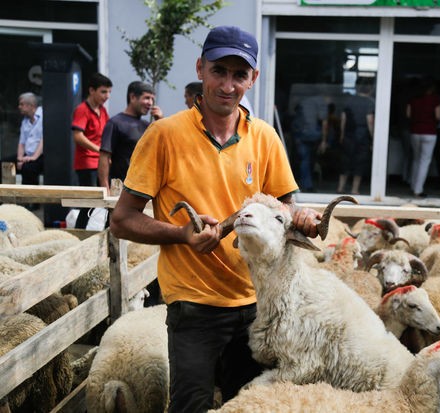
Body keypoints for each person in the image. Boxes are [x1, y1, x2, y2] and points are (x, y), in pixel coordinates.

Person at [109, 25, 321, 412]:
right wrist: (181, 235)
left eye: (239, 75)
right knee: (191, 405)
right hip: (194, 305)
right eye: (218, 71)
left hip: (256, 302)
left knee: (248, 405)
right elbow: (122, 220)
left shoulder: (264, 138)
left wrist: (303, 216)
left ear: (252, 79)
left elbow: (285, 209)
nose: (227, 85)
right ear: (201, 68)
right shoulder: (164, 136)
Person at [97, 81, 163, 194]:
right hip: (120, 188)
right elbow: (104, 157)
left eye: (152, 99)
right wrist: (105, 188)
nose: (150, 103)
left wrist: (161, 121)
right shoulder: (115, 123)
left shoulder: (148, 126)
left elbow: (165, 148)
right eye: (147, 98)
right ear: (132, 97)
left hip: (143, 188)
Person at [71, 72, 113, 228]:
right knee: (88, 203)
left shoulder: (103, 111)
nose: (107, 96)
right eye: (103, 91)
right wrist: (101, 150)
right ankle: (80, 233)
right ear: (91, 91)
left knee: (108, 200)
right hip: (87, 164)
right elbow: (78, 136)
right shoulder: (82, 109)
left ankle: (107, 232)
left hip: (102, 163)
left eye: (109, 92)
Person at [336, 77, 375, 195]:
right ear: (370, 89)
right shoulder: (370, 102)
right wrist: (373, 138)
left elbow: (343, 118)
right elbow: (370, 121)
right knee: (360, 162)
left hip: (348, 135)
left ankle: (340, 187)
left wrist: (342, 135)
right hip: (362, 135)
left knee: (346, 161)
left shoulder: (349, 100)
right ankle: (354, 189)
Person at [406, 77, 440, 199]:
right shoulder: (435, 99)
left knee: (416, 159)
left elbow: (408, 115)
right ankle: (418, 189)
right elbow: (438, 116)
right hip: (430, 132)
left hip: (415, 131)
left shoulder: (413, 99)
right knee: (424, 161)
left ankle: (413, 185)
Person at [291, 94, 329, 192]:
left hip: (300, 135)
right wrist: (324, 141)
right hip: (313, 136)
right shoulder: (322, 103)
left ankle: (305, 184)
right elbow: (324, 123)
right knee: (309, 160)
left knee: (305, 160)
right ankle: (308, 185)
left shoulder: (304, 103)